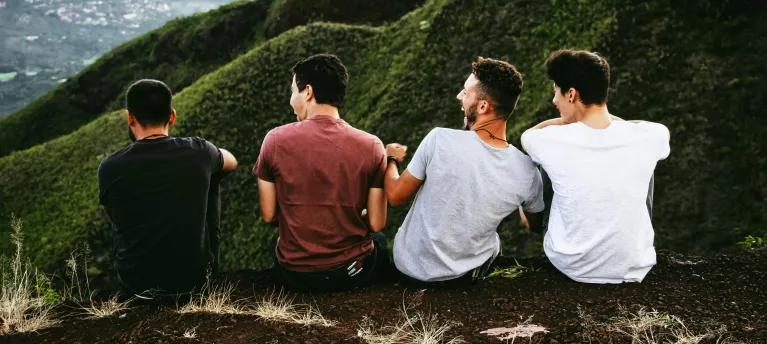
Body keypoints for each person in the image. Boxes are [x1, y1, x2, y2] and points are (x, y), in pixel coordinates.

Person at [384, 57, 545, 288]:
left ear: (482, 107)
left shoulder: (439, 139)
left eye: (465, 92)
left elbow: (395, 196)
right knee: (494, 242)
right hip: (464, 278)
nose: (459, 97)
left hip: (408, 269)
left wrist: (391, 159)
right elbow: (534, 225)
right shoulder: (527, 171)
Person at [521, 49, 670, 284]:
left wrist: (566, 121)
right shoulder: (648, 137)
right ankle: (624, 244)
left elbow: (528, 136)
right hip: (633, 265)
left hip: (571, 264)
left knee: (541, 164)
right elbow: (659, 129)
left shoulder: (548, 140)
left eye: (556, 93)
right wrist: (614, 124)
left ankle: (537, 227)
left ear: (571, 94)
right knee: (644, 162)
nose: (553, 101)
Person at [254, 54, 390, 292]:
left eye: (292, 92)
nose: (291, 101)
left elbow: (269, 215)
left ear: (308, 92)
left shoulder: (274, 140)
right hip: (351, 273)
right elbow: (377, 222)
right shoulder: (372, 146)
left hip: (296, 274)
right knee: (378, 242)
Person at [98, 79, 238, 299]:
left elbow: (115, 218)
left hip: (136, 286)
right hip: (193, 283)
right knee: (213, 177)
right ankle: (209, 270)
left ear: (130, 117)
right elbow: (232, 162)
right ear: (172, 116)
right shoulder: (199, 151)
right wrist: (207, 158)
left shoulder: (109, 166)